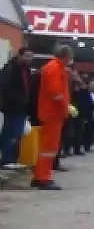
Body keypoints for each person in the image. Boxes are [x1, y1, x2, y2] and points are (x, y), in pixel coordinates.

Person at [31, 45, 73, 190]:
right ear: (66, 56)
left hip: (51, 112)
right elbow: (56, 92)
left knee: (46, 147)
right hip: (53, 113)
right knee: (49, 147)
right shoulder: (55, 68)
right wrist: (66, 107)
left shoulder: (54, 67)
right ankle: (43, 178)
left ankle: (39, 176)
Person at [0, 47, 33, 168]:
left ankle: (11, 157)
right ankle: (6, 159)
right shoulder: (11, 68)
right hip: (12, 106)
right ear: (20, 56)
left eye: (31, 56)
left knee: (17, 132)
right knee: (11, 132)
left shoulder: (26, 70)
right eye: (27, 56)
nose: (30, 59)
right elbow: (4, 86)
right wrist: (18, 99)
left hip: (22, 107)